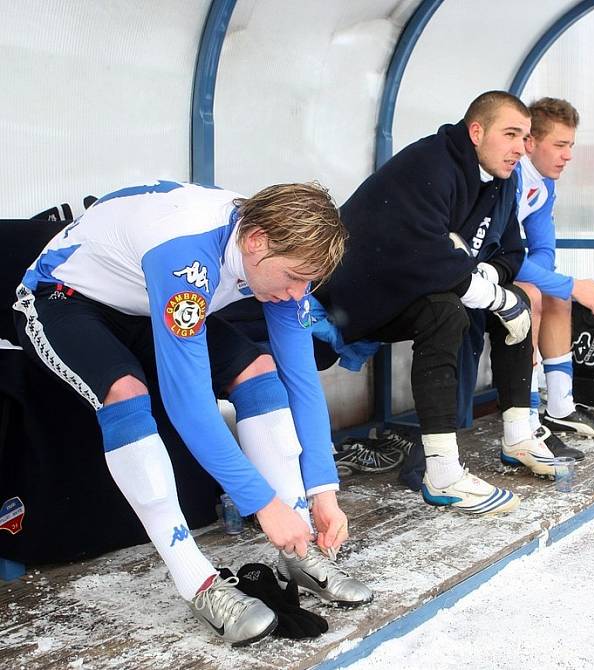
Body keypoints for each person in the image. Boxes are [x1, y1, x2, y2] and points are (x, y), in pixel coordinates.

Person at [12, 180, 372, 647]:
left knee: (259, 371)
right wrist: (263, 505)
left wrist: (323, 491)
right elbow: (190, 405)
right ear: (256, 241)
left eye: (309, 281)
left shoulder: (281, 264)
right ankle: (196, 581)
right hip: (64, 300)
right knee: (125, 393)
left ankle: (298, 544)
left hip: (141, 301)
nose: (297, 292)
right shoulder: (186, 253)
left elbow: (300, 380)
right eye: (294, 277)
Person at [317, 90, 556, 516]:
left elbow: (511, 253)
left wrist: (490, 281)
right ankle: (441, 472)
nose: (522, 147)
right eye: (512, 134)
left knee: (511, 299)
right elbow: (424, 254)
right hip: (354, 298)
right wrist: (493, 295)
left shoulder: (507, 178)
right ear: (477, 131)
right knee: (450, 309)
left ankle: (518, 435)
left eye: (526, 137)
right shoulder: (431, 161)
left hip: (419, 290)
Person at [514, 98, 594, 454]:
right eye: (559, 145)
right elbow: (500, 255)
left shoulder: (544, 183)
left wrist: (563, 286)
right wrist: (569, 285)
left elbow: (543, 249)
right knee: (532, 295)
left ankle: (560, 407)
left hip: (502, 267)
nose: (568, 155)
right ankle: (526, 421)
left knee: (555, 293)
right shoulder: (510, 174)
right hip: (471, 273)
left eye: (570, 145)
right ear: (531, 143)